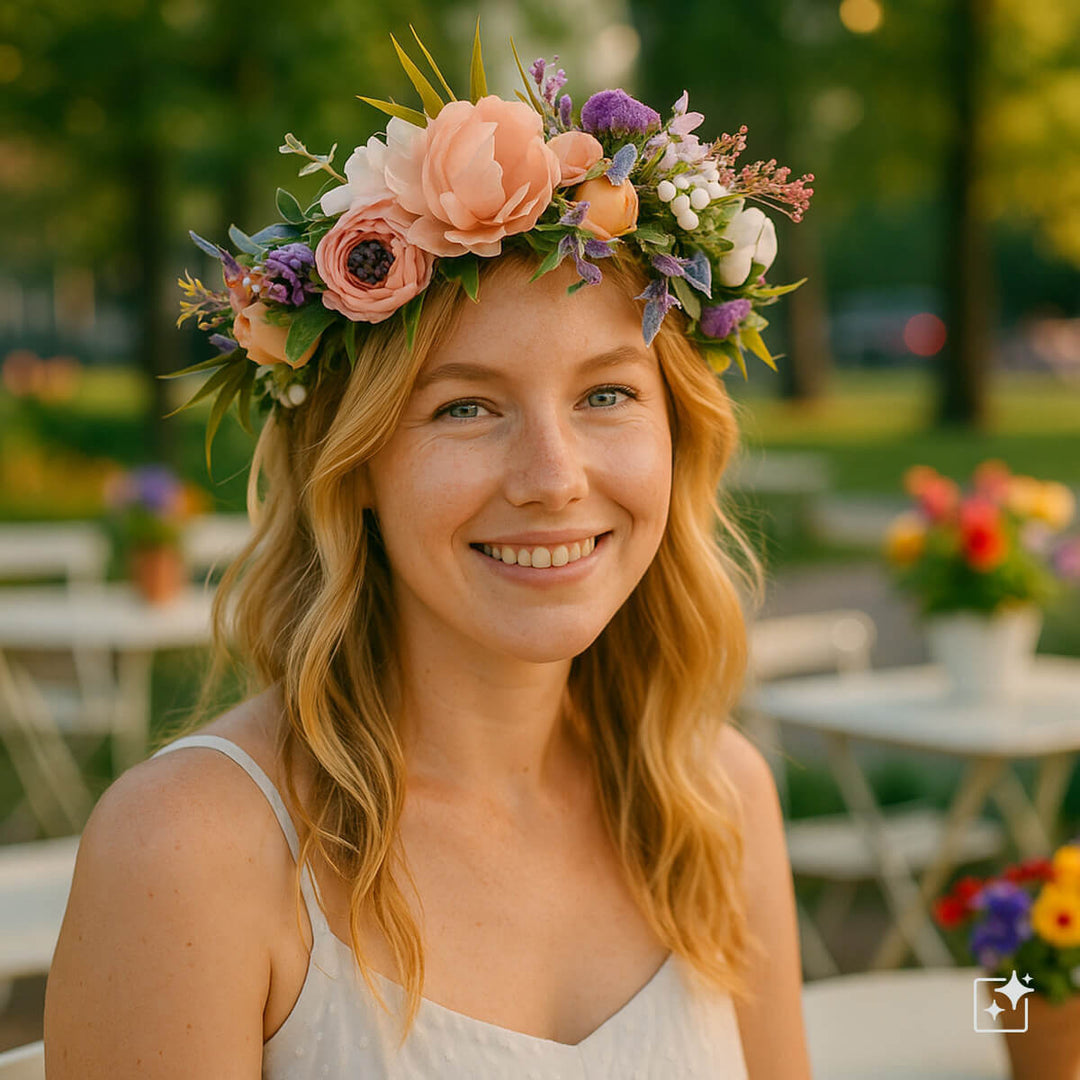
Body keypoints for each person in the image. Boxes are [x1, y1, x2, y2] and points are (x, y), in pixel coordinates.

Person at [44, 32, 814, 1078]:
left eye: (607, 394)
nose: (553, 478)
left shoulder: (717, 800)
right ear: (351, 465)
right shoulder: (192, 852)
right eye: (463, 405)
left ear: (678, 432)